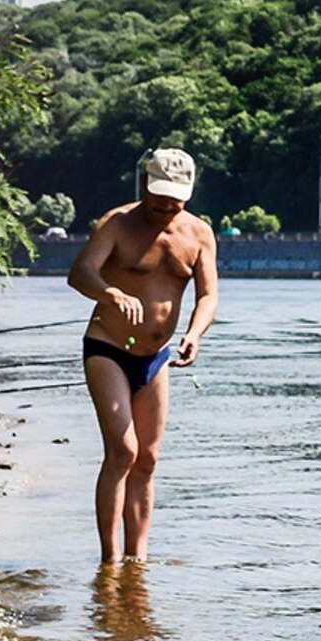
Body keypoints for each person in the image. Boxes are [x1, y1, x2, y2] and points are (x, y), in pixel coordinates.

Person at [65, 148, 220, 563]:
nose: (167, 206)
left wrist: (195, 333)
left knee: (148, 460)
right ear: (143, 185)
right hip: (108, 347)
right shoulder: (117, 223)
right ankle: (109, 561)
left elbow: (208, 295)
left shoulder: (199, 233)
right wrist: (109, 291)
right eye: (160, 196)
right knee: (124, 451)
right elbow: (80, 272)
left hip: (156, 357)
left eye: (176, 199)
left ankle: (138, 561)